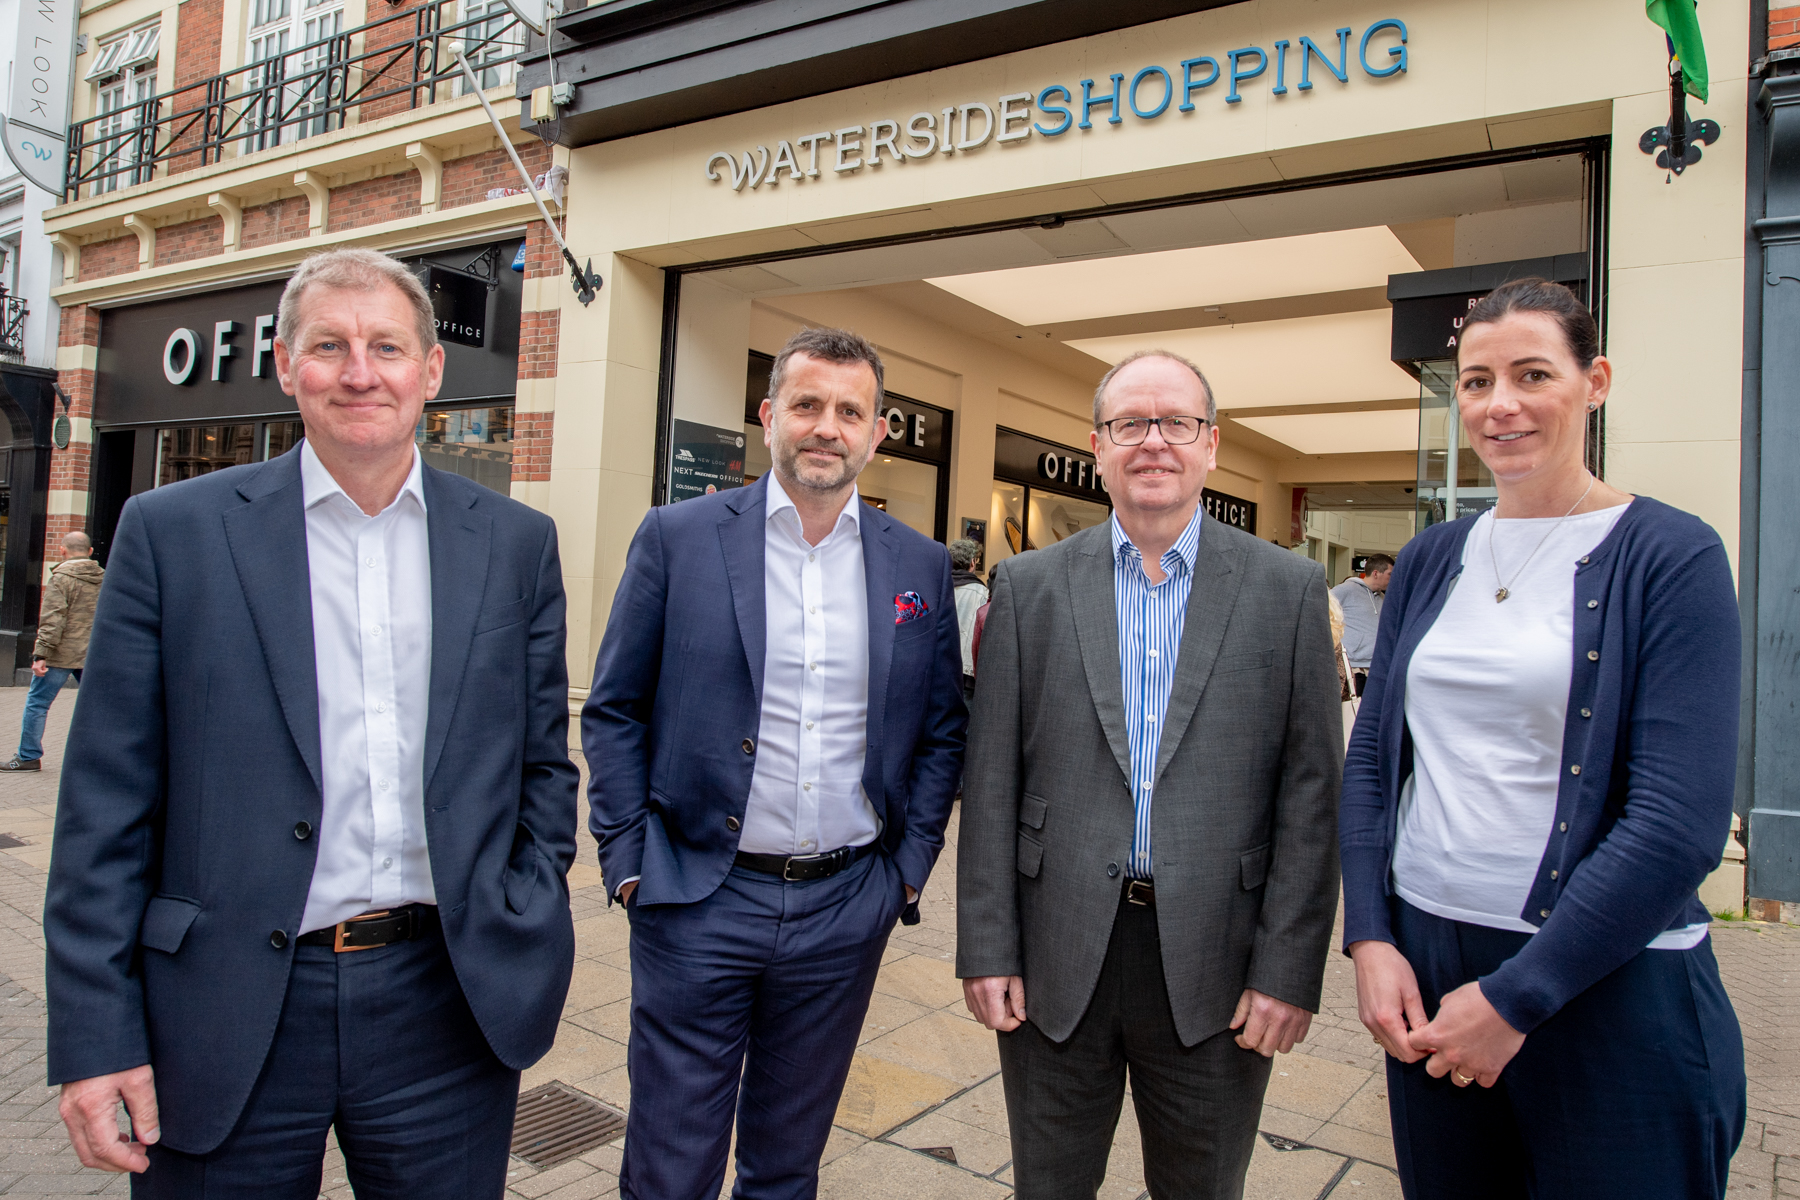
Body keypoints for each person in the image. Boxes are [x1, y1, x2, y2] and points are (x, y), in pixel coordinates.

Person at [44, 248, 580, 1199]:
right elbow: (104, 806)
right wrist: (95, 1037)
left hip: (447, 1005)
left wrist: (528, 900)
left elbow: (543, 762)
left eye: (387, 347)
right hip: (221, 1006)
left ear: (431, 370)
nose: (360, 372)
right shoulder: (172, 534)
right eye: (330, 346)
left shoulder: (514, 544)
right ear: (288, 367)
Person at [1340, 278, 1745, 1199]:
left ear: (1593, 382)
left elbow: (1678, 822)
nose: (1501, 405)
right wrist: (1370, 936)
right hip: (1429, 970)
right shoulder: (1435, 556)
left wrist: (1517, 998)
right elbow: (1372, 763)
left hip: (1607, 979)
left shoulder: (1669, 554)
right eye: (1477, 381)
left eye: (1533, 375)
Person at [584, 326, 966, 1200]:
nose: (827, 427)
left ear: (877, 432)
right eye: (807, 404)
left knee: (787, 1166)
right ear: (768, 417)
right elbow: (614, 707)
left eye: (850, 411)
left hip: (846, 907)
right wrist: (629, 859)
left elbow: (943, 729)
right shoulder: (677, 537)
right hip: (698, 898)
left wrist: (905, 873)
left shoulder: (917, 563)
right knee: (670, 1164)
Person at [957, 349, 1341, 1199]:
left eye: (1177, 422)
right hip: (1056, 961)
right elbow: (989, 789)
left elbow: (1313, 798)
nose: (1154, 441)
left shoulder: (1287, 591)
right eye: (1131, 423)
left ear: (1212, 444)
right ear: (1098, 446)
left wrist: (1287, 970)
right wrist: (987, 950)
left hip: (1218, 964)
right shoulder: (1027, 587)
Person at [2, 532, 104, 772]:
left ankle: (28, 756)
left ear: (62, 550)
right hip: (93, 654)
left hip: (60, 654)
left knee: (37, 704)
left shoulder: (61, 578)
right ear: (90, 552)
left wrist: (41, 655)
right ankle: (101, 760)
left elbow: (53, 619)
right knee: (100, 707)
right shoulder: (106, 578)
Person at [1330, 553, 1392, 696]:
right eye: (1390, 574)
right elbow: (1324, 608)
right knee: (1352, 707)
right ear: (1376, 573)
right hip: (1353, 666)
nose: (1392, 578)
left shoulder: (1382, 598)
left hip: (1376, 666)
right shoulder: (1346, 589)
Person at [948, 537, 988, 700]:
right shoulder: (982, 593)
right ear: (972, 562)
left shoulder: (940, 586)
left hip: (940, 667)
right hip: (966, 673)